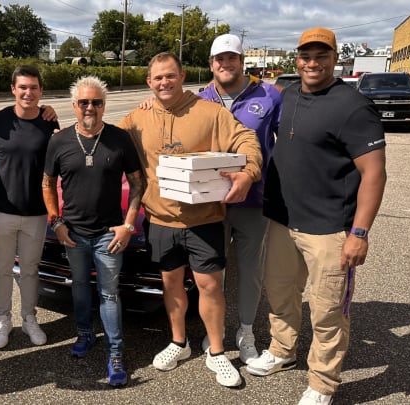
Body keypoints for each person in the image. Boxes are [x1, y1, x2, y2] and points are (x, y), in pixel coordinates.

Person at [246, 27, 386, 405]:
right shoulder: (288, 96)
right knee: (281, 294)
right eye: (306, 55)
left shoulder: (352, 106)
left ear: (335, 57)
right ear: (297, 59)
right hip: (281, 219)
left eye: (321, 55)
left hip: (329, 227)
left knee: (328, 310)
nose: (312, 62)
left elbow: (374, 173)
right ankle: (282, 349)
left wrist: (360, 231)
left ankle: (323, 383)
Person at [117, 52, 263, 387]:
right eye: (157, 78)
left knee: (209, 285)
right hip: (161, 220)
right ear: (149, 82)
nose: (164, 82)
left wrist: (248, 173)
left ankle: (216, 352)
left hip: (204, 219)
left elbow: (246, 140)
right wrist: (58, 129)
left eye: (170, 76)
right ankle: (178, 342)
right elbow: (104, 135)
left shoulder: (210, 113)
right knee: (170, 284)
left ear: (182, 76)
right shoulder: (138, 118)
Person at [42, 75, 145, 387]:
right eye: (84, 102)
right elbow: (47, 183)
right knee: (80, 288)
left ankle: (115, 354)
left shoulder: (119, 138)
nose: (90, 107)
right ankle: (85, 334)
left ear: (104, 106)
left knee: (109, 293)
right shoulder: (59, 141)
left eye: (96, 102)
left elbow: (139, 183)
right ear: (74, 106)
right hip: (72, 233)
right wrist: (56, 222)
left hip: (107, 235)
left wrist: (128, 225)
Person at [196, 34, 282, 364]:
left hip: (253, 202)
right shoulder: (200, 98)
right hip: (210, 203)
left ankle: (246, 330)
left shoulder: (269, 95)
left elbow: (286, 143)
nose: (225, 64)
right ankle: (214, 328)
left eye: (231, 58)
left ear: (242, 62)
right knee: (213, 271)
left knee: (250, 271)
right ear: (211, 64)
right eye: (219, 59)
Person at [0, 65, 60, 349]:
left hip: (36, 212)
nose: (28, 92)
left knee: (30, 269)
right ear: (13, 90)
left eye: (33, 87)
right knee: (3, 269)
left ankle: (29, 318)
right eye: (23, 87)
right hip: (1, 210)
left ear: (41, 91)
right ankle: (2, 320)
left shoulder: (48, 121)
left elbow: (55, 168)